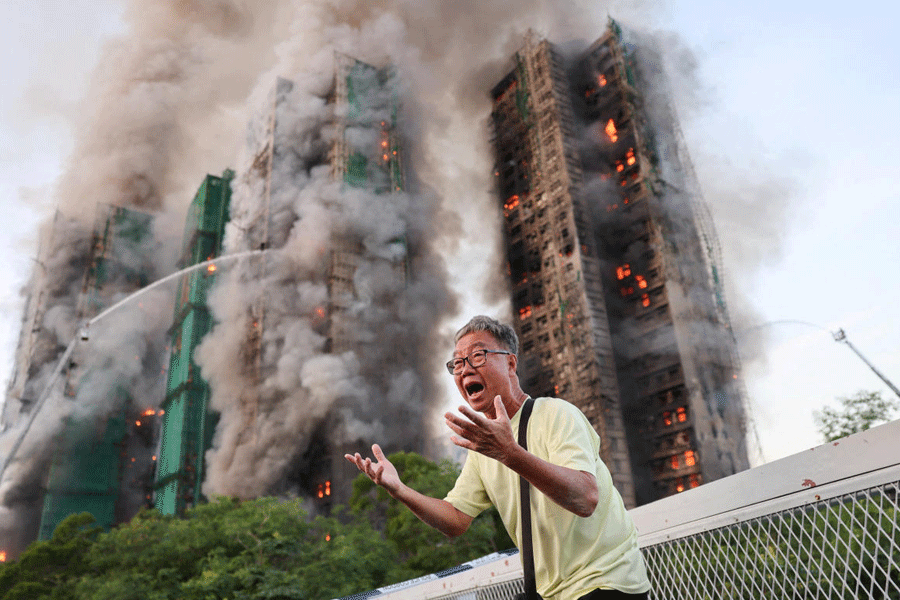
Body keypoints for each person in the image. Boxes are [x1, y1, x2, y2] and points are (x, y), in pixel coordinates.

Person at [345, 315, 651, 600]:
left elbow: (585, 498)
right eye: (458, 362)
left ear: (511, 364)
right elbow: (455, 520)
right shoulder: (485, 449)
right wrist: (399, 490)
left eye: (478, 356)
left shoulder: (556, 414)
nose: (465, 368)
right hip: (551, 594)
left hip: (606, 583)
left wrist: (510, 453)